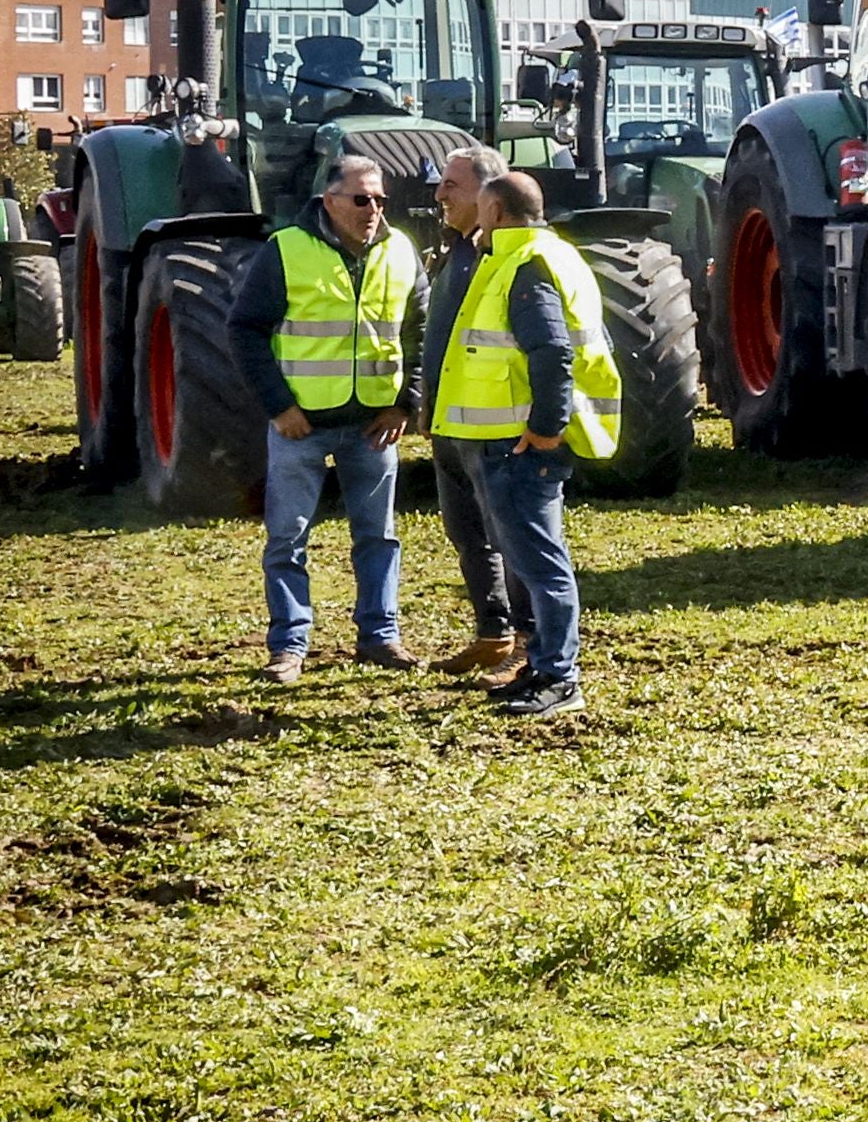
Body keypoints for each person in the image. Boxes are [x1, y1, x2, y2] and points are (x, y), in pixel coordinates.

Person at [430, 170, 623, 718]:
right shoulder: (541, 255)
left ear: (494, 213)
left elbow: (551, 351)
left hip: (517, 444)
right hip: (502, 440)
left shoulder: (524, 264)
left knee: (540, 565)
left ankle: (559, 679)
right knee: (533, 560)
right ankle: (542, 668)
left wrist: (544, 427)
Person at [229, 151, 424, 683]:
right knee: (287, 538)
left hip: (374, 427)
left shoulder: (402, 251)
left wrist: (406, 402)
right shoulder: (285, 251)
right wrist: (279, 407)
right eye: (362, 199)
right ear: (330, 199)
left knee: (377, 536)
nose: (374, 209)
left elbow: (421, 332)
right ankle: (289, 647)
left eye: (381, 199)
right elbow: (245, 330)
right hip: (302, 426)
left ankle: (380, 636)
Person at [417, 145, 522, 682]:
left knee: (512, 535)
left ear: (486, 195)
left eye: (450, 186)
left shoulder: (504, 256)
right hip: (451, 422)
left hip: (495, 423)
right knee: (467, 532)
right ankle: (494, 631)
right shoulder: (455, 251)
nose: (438, 194)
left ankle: (530, 641)